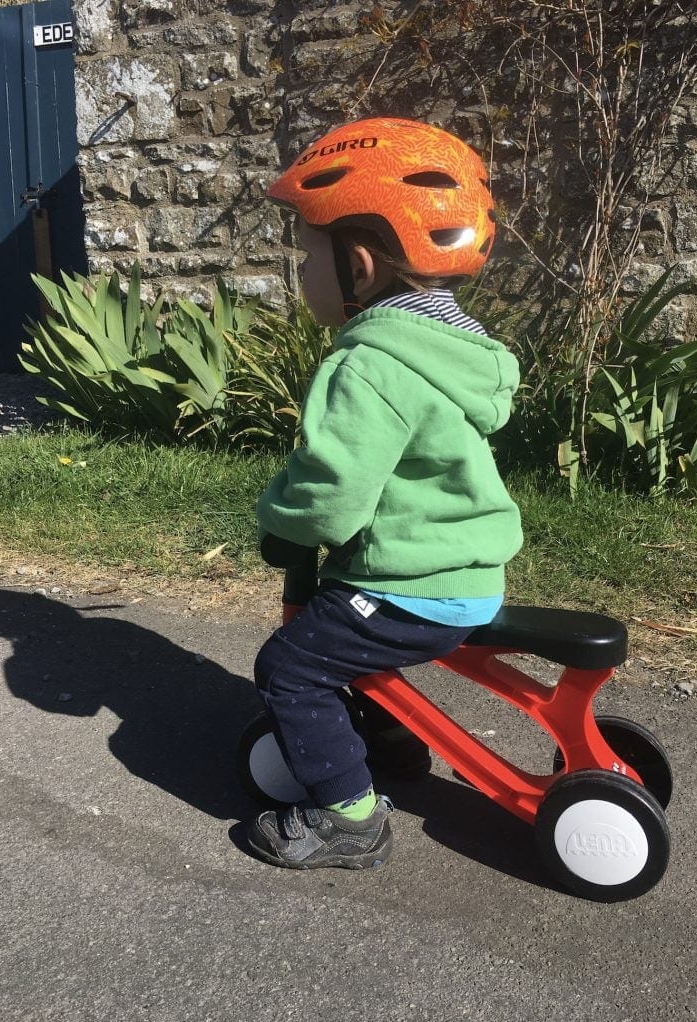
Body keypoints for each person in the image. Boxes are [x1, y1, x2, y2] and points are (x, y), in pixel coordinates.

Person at [247, 117, 523, 870]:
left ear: (360, 267)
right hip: (466, 576)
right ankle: (389, 741)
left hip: (410, 584)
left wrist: (283, 525)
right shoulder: (454, 355)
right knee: (347, 642)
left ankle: (350, 817)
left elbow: (332, 490)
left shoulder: (368, 364)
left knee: (291, 668)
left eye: (305, 255)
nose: (299, 272)